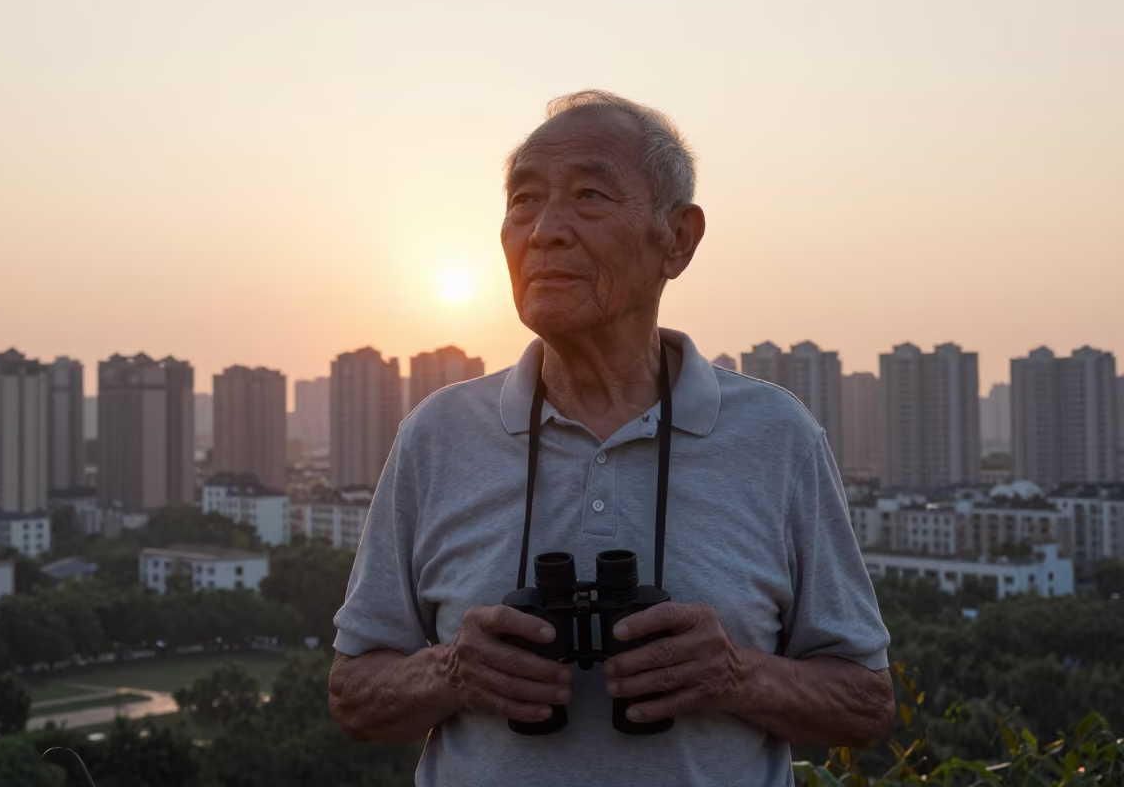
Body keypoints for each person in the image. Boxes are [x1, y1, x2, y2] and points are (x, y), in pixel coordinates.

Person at [329, 90, 893, 786]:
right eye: (524, 201)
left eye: (590, 195)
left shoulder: (776, 437)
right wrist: (452, 673)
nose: (544, 231)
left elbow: (865, 705)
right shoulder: (437, 435)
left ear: (677, 239)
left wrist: (734, 676)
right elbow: (354, 696)